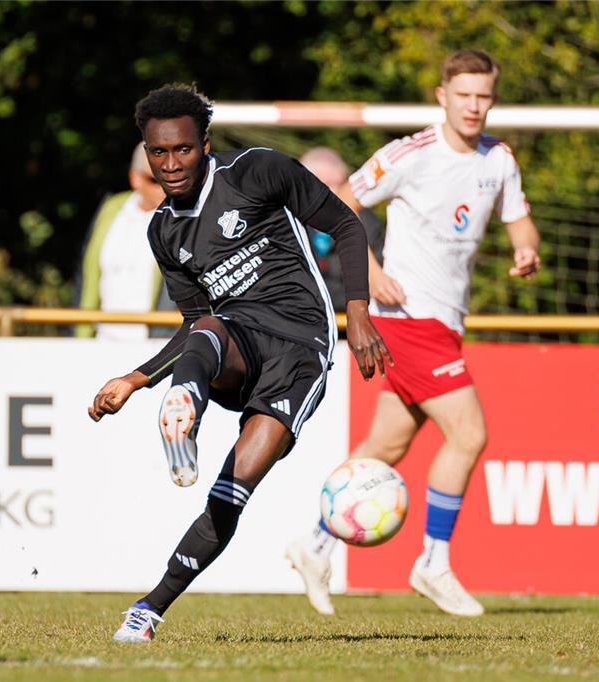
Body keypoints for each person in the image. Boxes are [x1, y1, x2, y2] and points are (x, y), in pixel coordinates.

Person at [87, 83, 391, 643]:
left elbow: (346, 225)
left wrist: (359, 312)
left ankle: (147, 610)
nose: (170, 164)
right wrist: (136, 379)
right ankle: (187, 412)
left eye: (182, 150)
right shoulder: (165, 231)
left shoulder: (258, 171)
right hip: (237, 340)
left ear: (203, 144)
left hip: (303, 345)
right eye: (158, 153)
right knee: (205, 326)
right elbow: (193, 325)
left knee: (233, 488)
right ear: (147, 152)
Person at [286, 49, 541, 618]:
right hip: (407, 322)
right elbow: (338, 206)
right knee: (470, 435)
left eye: (484, 97)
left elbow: (518, 215)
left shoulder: (498, 158)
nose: (474, 106)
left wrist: (527, 247)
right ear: (441, 96)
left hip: (445, 322)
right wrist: (371, 272)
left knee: (386, 447)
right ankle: (433, 562)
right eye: (465, 95)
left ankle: (315, 545)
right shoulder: (410, 154)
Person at [74, 143, 168, 340]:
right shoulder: (111, 209)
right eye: (155, 179)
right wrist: (80, 335)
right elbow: (86, 277)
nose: (165, 187)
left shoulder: (185, 217)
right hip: (101, 340)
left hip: (156, 346)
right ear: (135, 178)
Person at [300, 147, 385, 311]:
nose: (332, 192)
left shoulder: (366, 223)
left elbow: (375, 280)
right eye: (323, 184)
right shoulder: (285, 223)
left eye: (339, 184)